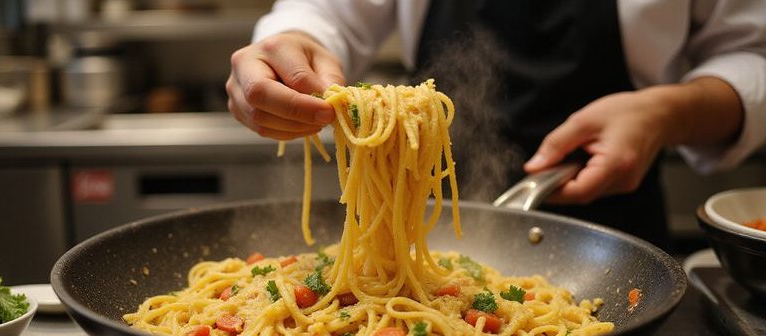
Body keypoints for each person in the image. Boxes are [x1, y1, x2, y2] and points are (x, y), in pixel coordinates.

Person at [226, 0, 766, 250]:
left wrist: (670, 113)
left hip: (611, 239)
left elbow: (752, 55)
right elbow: (326, 13)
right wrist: (292, 44)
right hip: (427, 215)